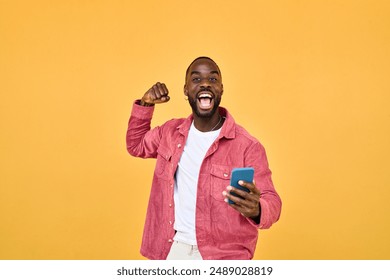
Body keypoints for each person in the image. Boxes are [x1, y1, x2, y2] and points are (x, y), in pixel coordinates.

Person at [126, 57, 281, 260]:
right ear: (186, 89)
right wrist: (145, 104)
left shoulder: (248, 146)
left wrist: (257, 209)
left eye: (213, 79)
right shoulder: (170, 133)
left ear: (221, 90)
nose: (205, 84)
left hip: (224, 256)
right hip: (172, 249)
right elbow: (136, 146)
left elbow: (272, 202)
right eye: (196, 79)